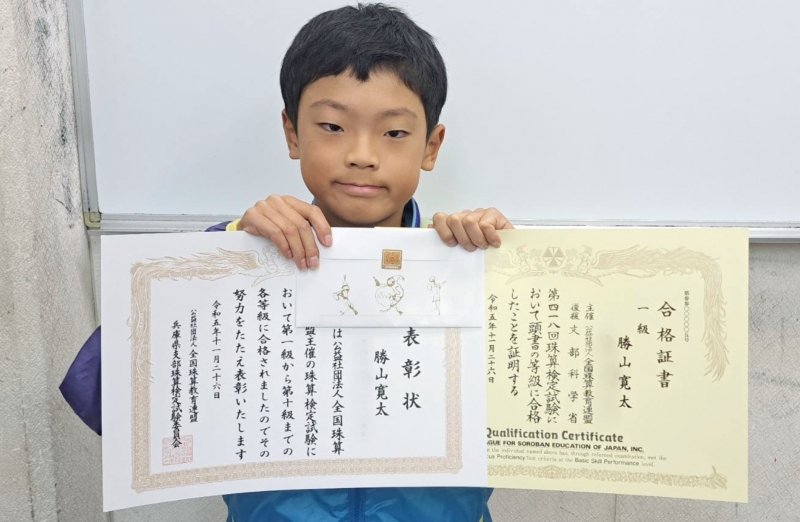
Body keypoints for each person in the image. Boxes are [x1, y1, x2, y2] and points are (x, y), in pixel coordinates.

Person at [61, 4, 514, 521]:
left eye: (394, 133)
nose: (362, 154)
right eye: (332, 126)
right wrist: (227, 253)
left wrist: (511, 269)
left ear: (431, 147)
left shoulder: (471, 266)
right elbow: (105, 398)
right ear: (293, 133)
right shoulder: (233, 257)